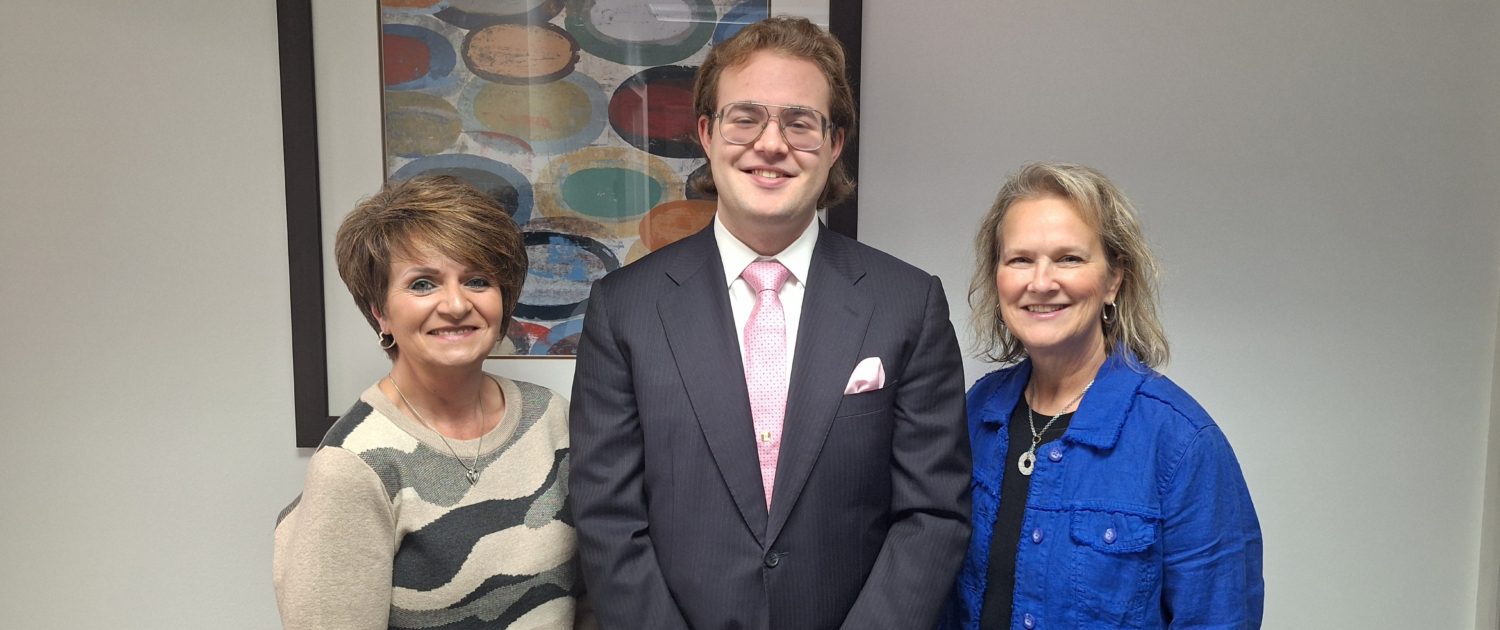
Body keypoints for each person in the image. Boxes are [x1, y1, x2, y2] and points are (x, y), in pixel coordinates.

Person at [569, 16, 972, 630]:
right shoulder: (625, 308)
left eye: (800, 122)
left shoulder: (907, 303)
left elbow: (933, 515)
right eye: (746, 118)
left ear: (834, 144)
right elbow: (607, 517)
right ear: (707, 134)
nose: (771, 144)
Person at [940, 162, 1263, 629]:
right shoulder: (976, 414)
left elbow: (1219, 618)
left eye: (1069, 259)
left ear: (1113, 280)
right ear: (997, 277)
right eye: (1020, 259)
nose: (1041, 282)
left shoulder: (1181, 443)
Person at [273, 176, 592, 628]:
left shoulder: (550, 418)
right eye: (423, 284)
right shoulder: (355, 465)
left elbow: (591, 595)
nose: (456, 304)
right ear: (380, 311)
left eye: (477, 280)